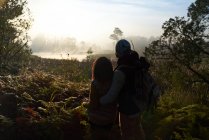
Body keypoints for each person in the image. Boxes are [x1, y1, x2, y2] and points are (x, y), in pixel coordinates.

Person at [100, 39, 146, 140]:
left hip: (127, 110)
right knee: (138, 130)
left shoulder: (120, 72)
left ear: (118, 53)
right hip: (138, 106)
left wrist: (100, 101)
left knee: (127, 134)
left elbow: (112, 95)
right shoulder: (136, 65)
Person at [88, 57, 120, 140]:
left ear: (96, 70)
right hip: (110, 119)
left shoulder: (95, 84)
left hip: (95, 120)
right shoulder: (114, 82)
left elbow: (94, 105)